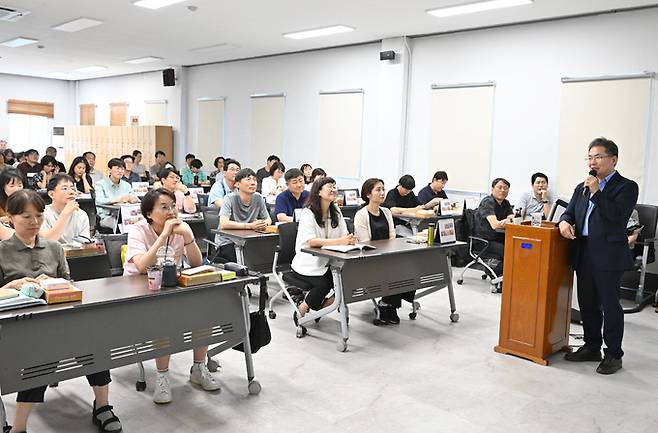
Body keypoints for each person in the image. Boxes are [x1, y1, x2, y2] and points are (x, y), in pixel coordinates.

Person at [0, 190, 122, 433]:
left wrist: (54, 284)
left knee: (95, 344)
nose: (35, 222)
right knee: (43, 353)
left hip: (59, 319)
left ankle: (102, 405)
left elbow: (70, 285)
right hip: (17, 326)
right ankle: (20, 426)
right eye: (26, 217)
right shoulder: (2, 251)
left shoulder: (54, 248)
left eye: (39, 215)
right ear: (10, 218)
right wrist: (10, 285)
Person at [123, 188, 218, 403]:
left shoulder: (180, 228)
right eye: (164, 207)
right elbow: (140, 266)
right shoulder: (138, 230)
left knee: (203, 314)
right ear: (149, 213)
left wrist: (188, 237)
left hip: (168, 286)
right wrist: (164, 234)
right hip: (138, 289)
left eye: (173, 206)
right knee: (162, 320)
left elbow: (196, 264)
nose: (171, 211)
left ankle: (198, 368)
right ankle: (162, 376)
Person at [558, 137, 638, 375]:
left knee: (610, 305)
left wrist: (597, 191)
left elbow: (616, 217)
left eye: (598, 157)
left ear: (613, 160)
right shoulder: (582, 187)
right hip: (584, 251)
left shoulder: (626, 186)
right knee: (588, 303)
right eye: (590, 157)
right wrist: (564, 223)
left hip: (609, 254)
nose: (593, 162)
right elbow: (569, 213)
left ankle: (613, 354)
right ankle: (592, 347)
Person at [290, 177, 354, 318]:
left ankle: (324, 305)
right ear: (319, 191)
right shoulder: (308, 213)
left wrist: (349, 239)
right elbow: (312, 242)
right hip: (307, 263)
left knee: (348, 281)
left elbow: (344, 235)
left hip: (328, 261)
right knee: (324, 283)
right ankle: (303, 308)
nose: (334, 189)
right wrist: (340, 241)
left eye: (335, 186)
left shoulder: (336, 210)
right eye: (330, 187)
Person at [355, 178, 410, 324]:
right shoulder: (361, 215)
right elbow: (366, 243)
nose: (382, 193)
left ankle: (389, 304)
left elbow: (392, 237)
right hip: (370, 258)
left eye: (383, 189)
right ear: (368, 194)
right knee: (394, 270)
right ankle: (387, 304)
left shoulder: (386, 212)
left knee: (408, 268)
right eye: (378, 190)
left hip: (387, 255)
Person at [40, 174, 90, 243]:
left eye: (73, 188)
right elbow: (47, 242)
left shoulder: (81, 215)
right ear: (51, 194)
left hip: (75, 253)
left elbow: (85, 243)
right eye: (65, 188)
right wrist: (65, 214)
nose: (71, 192)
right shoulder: (41, 214)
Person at [474, 177, 514, 264]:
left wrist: (507, 221)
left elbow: (513, 220)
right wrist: (507, 221)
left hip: (499, 238)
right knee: (508, 251)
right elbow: (495, 225)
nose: (503, 190)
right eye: (499, 187)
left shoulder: (506, 203)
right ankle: (498, 275)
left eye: (505, 188)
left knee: (518, 247)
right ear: (492, 189)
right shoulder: (487, 202)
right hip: (484, 241)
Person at [95, 158, 139, 229]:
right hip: (107, 216)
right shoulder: (100, 184)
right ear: (109, 170)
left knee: (138, 223)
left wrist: (131, 199)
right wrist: (118, 199)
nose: (120, 171)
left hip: (125, 216)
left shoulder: (126, 185)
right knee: (119, 225)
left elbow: (136, 200)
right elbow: (99, 200)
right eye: (117, 168)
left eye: (122, 169)